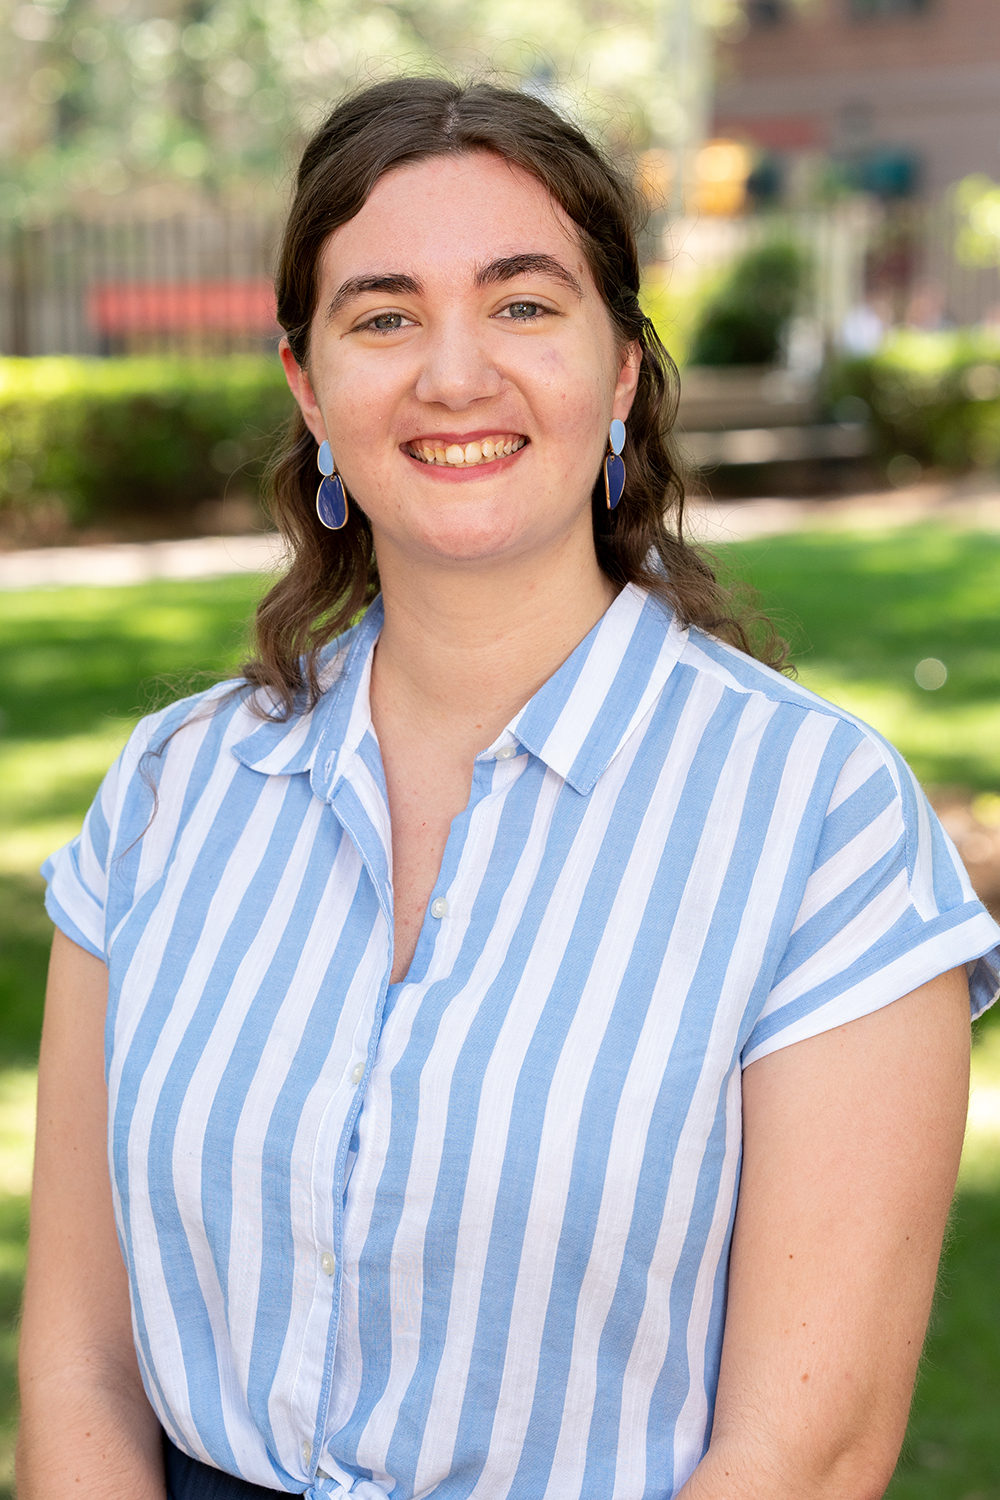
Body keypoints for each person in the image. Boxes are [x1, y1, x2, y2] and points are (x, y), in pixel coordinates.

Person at [17, 76, 1000, 1500]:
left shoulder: (821, 826)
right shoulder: (168, 797)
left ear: (618, 374)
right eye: (385, 315)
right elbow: (76, 1366)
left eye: (524, 304)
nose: (454, 373)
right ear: (308, 383)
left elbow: (808, 1454)